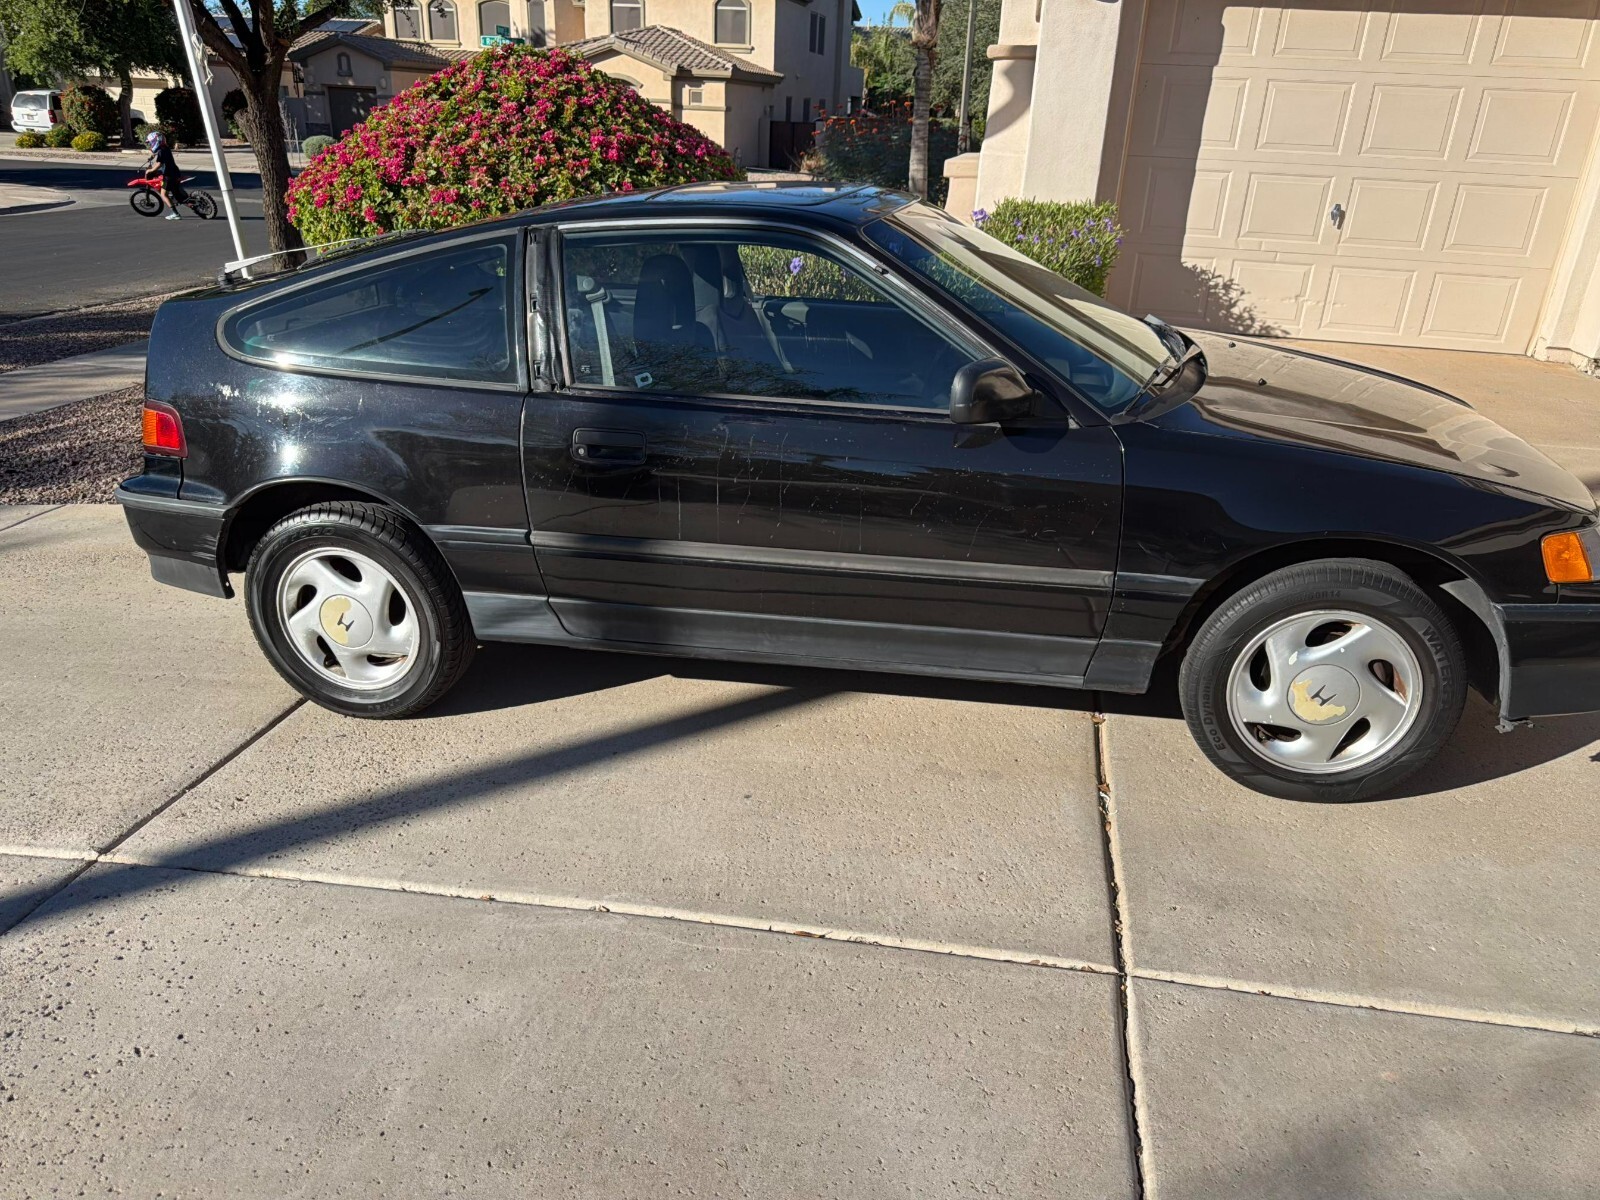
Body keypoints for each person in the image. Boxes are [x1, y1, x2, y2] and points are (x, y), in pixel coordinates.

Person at [143, 130, 186, 221]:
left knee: (163, 194)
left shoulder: (161, 151)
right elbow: (159, 157)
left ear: (156, 141)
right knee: (176, 191)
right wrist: (152, 156)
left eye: (151, 142)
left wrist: (150, 170)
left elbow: (159, 164)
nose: (151, 144)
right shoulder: (165, 148)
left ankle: (175, 214)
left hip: (168, 175)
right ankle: (181, 199)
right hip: (174, 172)